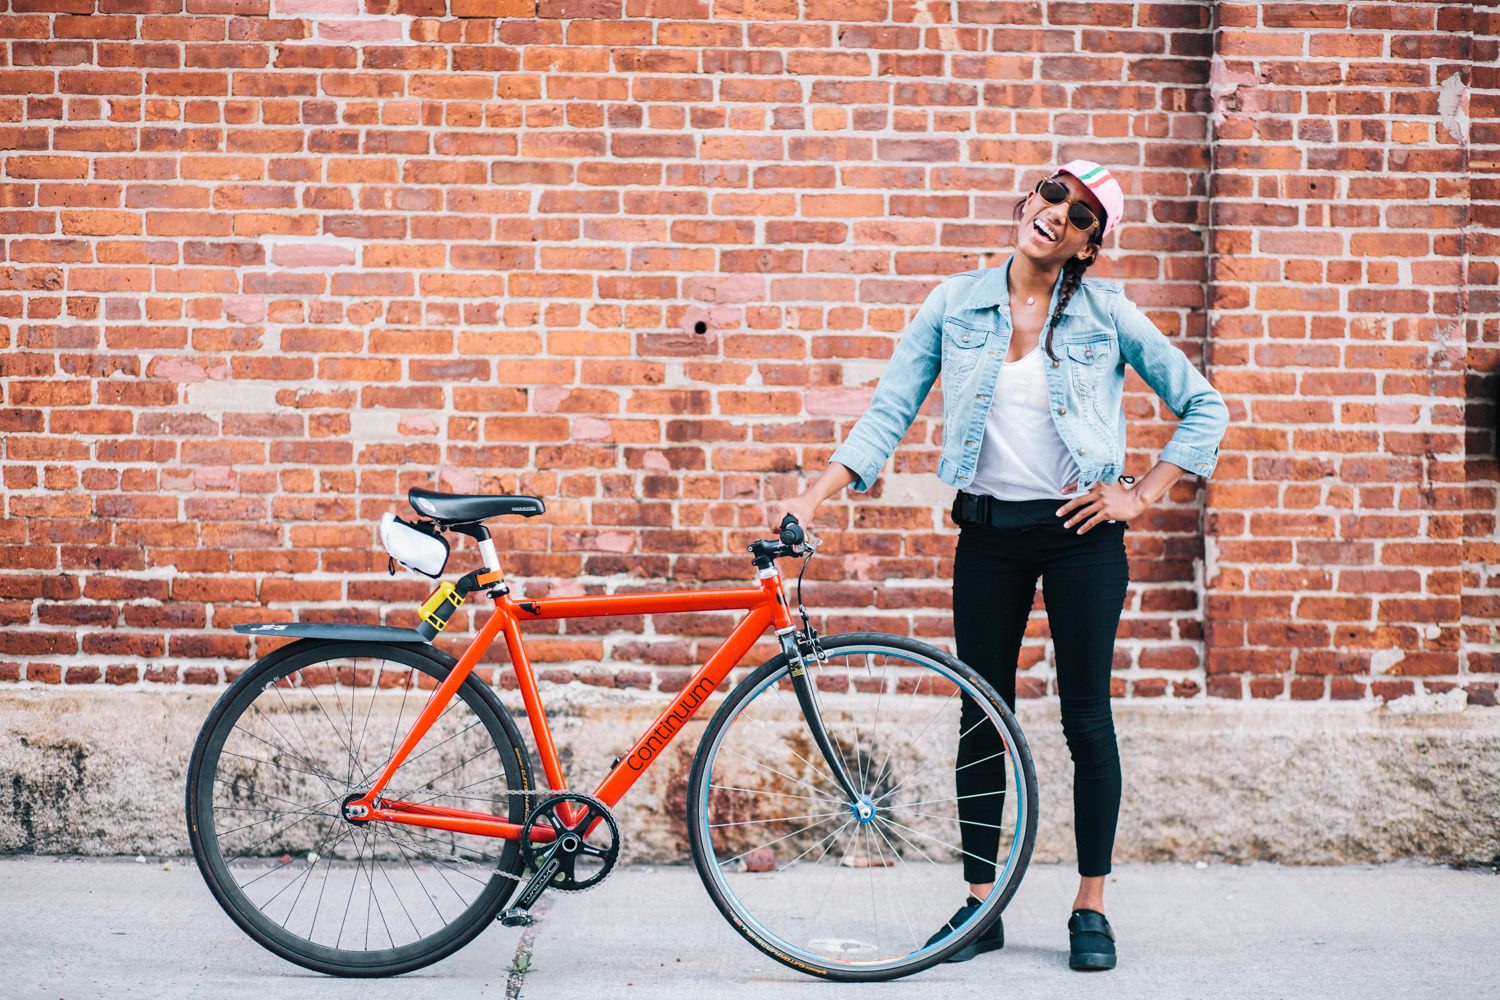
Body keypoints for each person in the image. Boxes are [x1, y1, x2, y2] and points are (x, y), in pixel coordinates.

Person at [766, 159, 1229, 971]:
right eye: (1054, 196)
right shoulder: (954, 303)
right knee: (981, 717)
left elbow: (1204, 406)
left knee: (1086, 720)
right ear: (1030, 199)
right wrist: (815, 497)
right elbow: (889, 411)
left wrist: (1141, 494)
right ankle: (982, 905)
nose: (1059, 215)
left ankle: (1090, 904)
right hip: (986, 536)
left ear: (1089, 246)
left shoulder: (1106, 314)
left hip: (1082, 538)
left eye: (1082, 216)